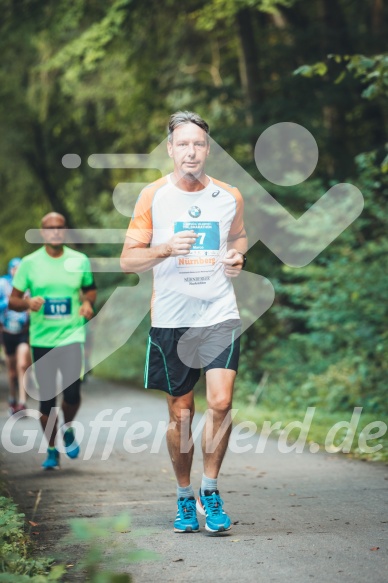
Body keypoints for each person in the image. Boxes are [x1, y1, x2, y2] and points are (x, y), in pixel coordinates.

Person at [120, 111, 247, 533]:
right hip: (172, 318)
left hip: (218, 314)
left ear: (207, 149)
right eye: (183, 144)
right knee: (182, 415)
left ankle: (210, 491)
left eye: (199, 144)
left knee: (222, 403)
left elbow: (238, 237)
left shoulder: (229, 195)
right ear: (170, 149)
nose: (191, 151)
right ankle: (182, 496)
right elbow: (127, 260)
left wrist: (238, 257)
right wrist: (164, 249)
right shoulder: (153, 196)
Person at [9, 212, 97, 469]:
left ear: (65, 230)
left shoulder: (79, 260)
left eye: (60, 227)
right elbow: (13, 300)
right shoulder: (29, 263)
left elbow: (90, 288)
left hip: (72, 336)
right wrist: (27, 302)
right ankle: (50, 449)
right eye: (50, 228)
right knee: (47, 400)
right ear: (43, 232)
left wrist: (88, 302)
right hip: (42, 339)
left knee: (72, 393)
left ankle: (67, 429)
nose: (55, 232)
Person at [0, 258, 31, 415]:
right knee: (11, 371)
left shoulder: (29, 286)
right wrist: (10, 302)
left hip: (23, 333)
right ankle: (12, 397)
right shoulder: (2, 285)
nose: (16, 271)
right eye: (14, 268)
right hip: (7, 332)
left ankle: (22, 402)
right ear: (10, 270)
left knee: (22, 366)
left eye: (20, 268)